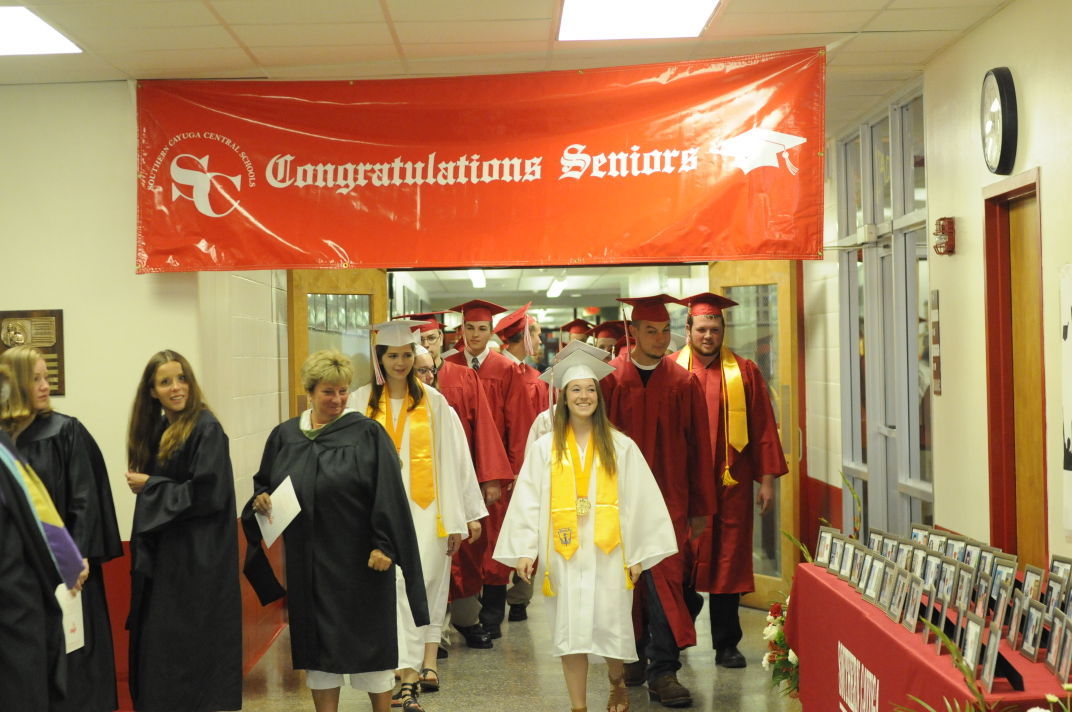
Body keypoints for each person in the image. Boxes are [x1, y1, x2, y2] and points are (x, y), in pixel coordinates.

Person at [243, 349, 428, 712]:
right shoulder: (285, 436)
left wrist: (385, 545)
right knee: (319, 653)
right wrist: (260, 498)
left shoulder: (367, 433)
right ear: (309, 393)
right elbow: (264, 483)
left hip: (361, 562)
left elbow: (388, 493)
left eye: (343, 391)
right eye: (328, 392)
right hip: (308, 563)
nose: (338, 399)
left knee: (371, 649)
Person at [495, 349, 677, 712]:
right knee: (568, 633)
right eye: (575, 390)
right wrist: (524, 550)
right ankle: (578, 706)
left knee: (612, 627)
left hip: (609, 552)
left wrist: (639, 553)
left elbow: (641, 500)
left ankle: (616, 680)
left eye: (590, 390)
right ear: (562, 398)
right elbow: (528, 500)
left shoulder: (621, 446)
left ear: (599, 396)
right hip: (562, 553)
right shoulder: (545, 448)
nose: (583, 397)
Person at [348, 321, 475, 706]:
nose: (400, 362)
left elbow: (455, 462)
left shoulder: (434, 402)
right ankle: (395, 674)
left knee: (422, 588)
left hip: (427, 511)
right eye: (392, 355)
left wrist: (459, 517)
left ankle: (409, 675)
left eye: (406, 355)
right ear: (379, 358)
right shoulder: (359, 402)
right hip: (376, 513)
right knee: (389, 590)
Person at [601, 294, 716, 708]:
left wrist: (701, 508)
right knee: (623, 582)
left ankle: (663, 670)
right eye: (651, 330)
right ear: (633, 332)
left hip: (670, 501)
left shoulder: (683, 382)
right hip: (618, 500)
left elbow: (700, 449)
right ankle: (631, 655)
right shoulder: (609, 380)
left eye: (666, 330)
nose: (660, 337)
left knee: (666, 582)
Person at [0, 346, 121, 712]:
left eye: (46, 377)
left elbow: (84, 502)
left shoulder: (66, 431)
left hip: (69, 572)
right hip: (19, 578)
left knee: (73, 669)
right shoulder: (5, 441)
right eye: (34, 378)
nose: (44, 386)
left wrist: (77, 556)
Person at [672, 292, 789, 668]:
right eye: (702, 328)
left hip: (730, 486)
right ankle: (678, 635)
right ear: (688, 329)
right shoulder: (671, 371)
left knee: (728, 561)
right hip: (683, 487)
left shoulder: (744, 371)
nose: (708, 335)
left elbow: (763, 429)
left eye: (715, 329)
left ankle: (726, 644)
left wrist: (767, 481)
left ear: (724, 330)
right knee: (681, 559)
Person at [124, 349, 241, 711]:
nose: (176, 387)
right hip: (169, 561)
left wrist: (152, 486)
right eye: (165, 382)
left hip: (198, 563)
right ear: (152, 391)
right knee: (164, 652)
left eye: (182, 378)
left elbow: (209, 494)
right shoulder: (162, 428)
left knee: (194, 655)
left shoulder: (206, 428)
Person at [400, 311, 513, 650]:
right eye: (418, 342)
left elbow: (484, 434)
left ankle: (466, 619)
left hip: (454, 481)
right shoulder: (393, 392)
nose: (426, 346)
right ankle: (431, 631)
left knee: (464, 552)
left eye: (431, 339)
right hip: (414, 487)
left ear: (443, 340)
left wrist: (489, 478)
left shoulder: (463, 377)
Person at [446, 300, 536, 639]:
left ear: (491, 331)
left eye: (482, 328)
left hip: (496, 473)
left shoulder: (505, 369)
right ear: (462, 330)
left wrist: (511, 472)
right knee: (467, 541)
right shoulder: (448, 367)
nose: (475, 335)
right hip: (459, 468)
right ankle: (468, 611)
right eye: (469, 328)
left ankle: (493, 614)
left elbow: (519, 422)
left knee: (496, 539)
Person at [0, 363, 85, 712]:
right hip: (13, 597)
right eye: (33, 378)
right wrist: (69, 563)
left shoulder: (59, 432)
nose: (44, 386)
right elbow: (38, 513)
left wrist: (71, 560)